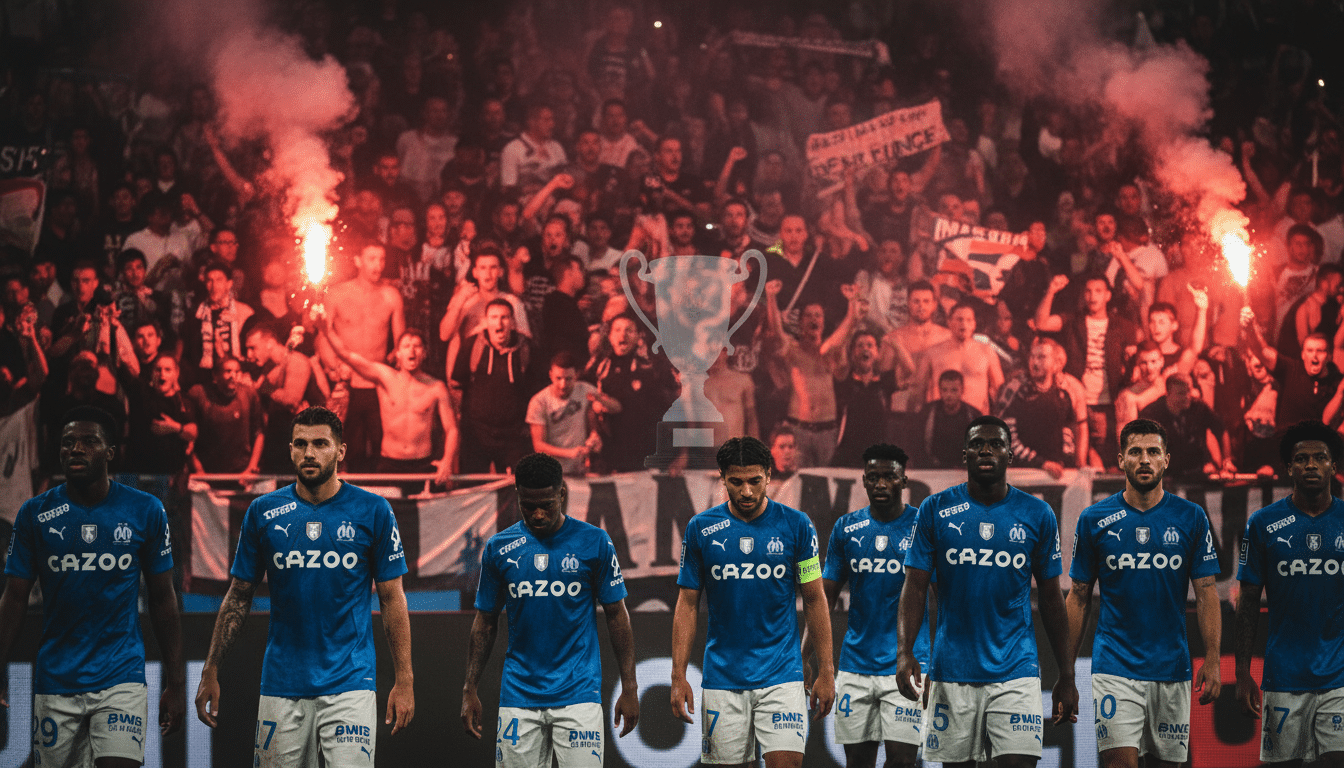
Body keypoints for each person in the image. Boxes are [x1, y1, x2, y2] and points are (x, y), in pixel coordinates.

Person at [194, 406, 414, 763]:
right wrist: (210, 669)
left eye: (320, 444)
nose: (309, 453)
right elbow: (238, 597)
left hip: (350, 684)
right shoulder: (263, 512)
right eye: (301, 444)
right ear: (290, 449)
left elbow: (392, 599)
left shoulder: (373, 510)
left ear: (341, 451)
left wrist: (404, 680)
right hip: (281, 684)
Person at [0, 405, 185, 767]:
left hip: (121, 677)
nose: (76, 449)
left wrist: (176, 683)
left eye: (88, 441)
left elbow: (163, 598)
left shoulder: (145, 510)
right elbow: (14, 598)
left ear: (110, 453)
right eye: (68, 442)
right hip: (56, 681)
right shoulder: (34, 514)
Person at [896, 415, 1077, 768]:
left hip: (1016, 671)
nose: (986, 450)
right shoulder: (935, 509)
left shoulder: (1037, 513)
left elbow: (1053, 600)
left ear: (1010, 454)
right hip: (952, 671)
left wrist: (1067, 675)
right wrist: (905, 652)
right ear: (964, 454)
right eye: (978, 443)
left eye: (996, 444)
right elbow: (914, 587)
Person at [461, 453, 639, 765]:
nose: (539, 514)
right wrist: (469, 688)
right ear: (517, 496)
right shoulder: (499, 548)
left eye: (547, 504)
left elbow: (616, 614)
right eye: (529, 506)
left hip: (578, 694)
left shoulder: (594, 542)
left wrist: (630, 686)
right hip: (518, 694)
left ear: (562, 494)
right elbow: (485, 622)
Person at [1065, 418, 1223, 768]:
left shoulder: (1191, 517)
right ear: (1120, 460)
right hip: (1114, 666)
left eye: (1153, 451)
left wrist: (1212, 658)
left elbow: (1208, 592)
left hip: (1172, 667)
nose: (1145, 459)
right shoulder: (1094, 519)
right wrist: (1065, 671)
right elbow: (1077, 596)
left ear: (1167, 459)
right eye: (1135, 452)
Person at [671, 436, 835, 768]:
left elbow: (815, 599)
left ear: (769, 476)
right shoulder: (701, 529)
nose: (746, 491)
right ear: (722, 477)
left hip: (783, 675)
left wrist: (827, 670)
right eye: (737, 482)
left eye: (754, 481)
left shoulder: (797, 525)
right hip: (722, 678)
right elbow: (687, 603)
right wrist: (678, 675)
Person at [808, 443, 932, 768]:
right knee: (858, 763)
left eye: (889, 477)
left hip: (907, 665)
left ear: (904, 481)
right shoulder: (846, 529)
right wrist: (806, 656)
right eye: (873, 477)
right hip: (855, 668)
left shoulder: (924, 527)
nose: (880, 484)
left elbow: (945, 598)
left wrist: (940, 662)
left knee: (903, 761)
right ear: (863, 481)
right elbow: (823, 598)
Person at [1234, 420, 1344, 767]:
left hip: (1339, 676)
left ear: (1333, 466)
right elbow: (1249, 601)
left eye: (1320, 458)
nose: (1311, 465)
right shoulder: (1262, 524)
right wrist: (1241, 672)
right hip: (1283, 677)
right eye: (1302, 458)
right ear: (1289, 467)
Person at [320, 315, 458, 487]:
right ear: (398, 353)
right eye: (406, 346)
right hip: (390, 464)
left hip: (423, 464)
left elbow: (451, 428)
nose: (411, 351)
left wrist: (447, 460)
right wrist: (326, 330)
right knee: (387, 513)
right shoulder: (384, 377)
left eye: (417, 346)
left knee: (424, 513)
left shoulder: (436, 387)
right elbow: (346, 355)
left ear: (424, 353)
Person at [318, 243, 405, 471]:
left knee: (381, 446)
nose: (378, 264)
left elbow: (401, 341)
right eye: (372, 258)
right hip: (345, 382)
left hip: (378, 383)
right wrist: (334, 368)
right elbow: (323, 336)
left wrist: (397, 359)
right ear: (358, 260)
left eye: (382, 259)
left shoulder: (391, 296)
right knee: (345, 448)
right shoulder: (336, 293)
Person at [526, 351, 621, 475]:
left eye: (568, 379)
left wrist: (600, 399)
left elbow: (617, 407)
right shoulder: (539, 402)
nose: (563, 384)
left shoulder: (584, 390)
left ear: (576, 375)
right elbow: (539, 446)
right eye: (558, 378)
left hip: (580, 470)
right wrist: (569, 453)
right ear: (550, 375)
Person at [186, 356, 264, 475]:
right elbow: (188, 437)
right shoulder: (199, 394)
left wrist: (251, 468)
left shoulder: (249, 394)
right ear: (215, 375)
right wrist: (198, 469)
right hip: (206, 472)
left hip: (242, 472)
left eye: (237, 372)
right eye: (228, 371)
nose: (233, 376)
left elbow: (259, 433)